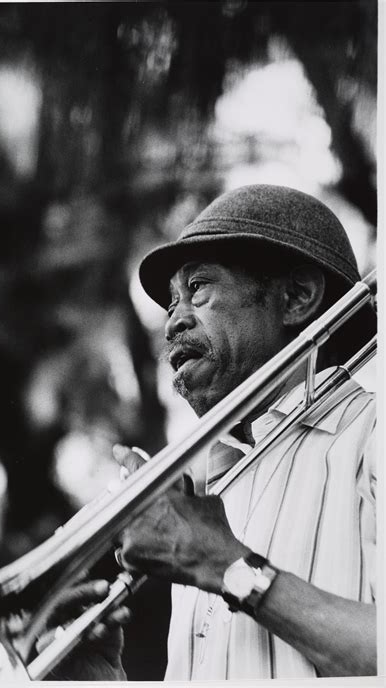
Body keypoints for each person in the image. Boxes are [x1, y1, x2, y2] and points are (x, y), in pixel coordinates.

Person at [110, 184, 377, 680]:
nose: (172, 323)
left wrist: (226, 565)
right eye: (171, 302)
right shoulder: (213, 500)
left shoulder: (373, 434)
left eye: (199, 288)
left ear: (296, 297)